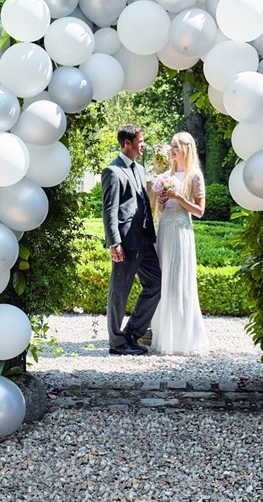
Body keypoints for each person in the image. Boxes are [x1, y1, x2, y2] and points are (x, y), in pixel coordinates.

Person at [101, 124, 162, 356]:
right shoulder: (112, 171)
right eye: (140, 140)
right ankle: (117, 343)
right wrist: (114, 242)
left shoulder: (139, 168)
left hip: (145, 239)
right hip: (125, 242)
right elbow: (109, 210)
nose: (143, 144)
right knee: (120, 291)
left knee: (156, 283)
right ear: (127, 143)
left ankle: (132, 335)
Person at [151, 132, 209, 355]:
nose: (172, 149)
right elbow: (160, 209)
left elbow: (200, 211)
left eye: (176, 146)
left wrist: (179, 198)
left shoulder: (195, 176)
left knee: (178, 279)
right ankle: (163, 335)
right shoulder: (166, 175)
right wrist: (163, 201)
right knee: (163, 278)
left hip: (182, 229)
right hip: (165, 228)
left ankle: (184, 338)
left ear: (186, 148)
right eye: (171, 145)